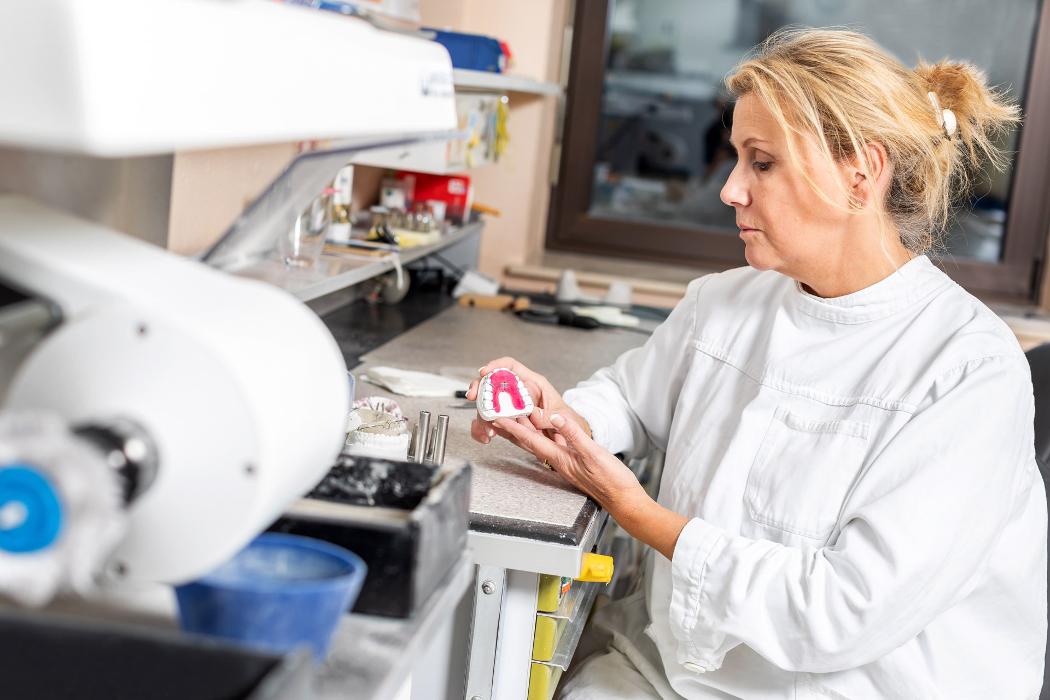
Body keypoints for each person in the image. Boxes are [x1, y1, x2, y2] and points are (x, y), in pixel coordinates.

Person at [465, 28, 1047, 699]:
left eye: (762, 163)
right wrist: (560, 418)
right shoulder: (726, 303)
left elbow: (842, 612)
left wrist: (636, 510)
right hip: (670, 671)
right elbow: (629, 399)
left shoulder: (967, 369)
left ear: (861, 174)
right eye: (738, 158)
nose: (730, 190)